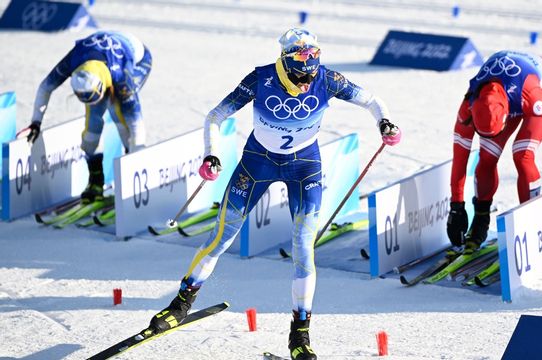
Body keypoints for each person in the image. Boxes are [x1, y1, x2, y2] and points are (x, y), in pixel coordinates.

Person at [146, 28, 401, 360]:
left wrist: (386, 123)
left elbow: (371, 101)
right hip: (257, 164)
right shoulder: (261, 78)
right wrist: (212, 154)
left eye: (313, 67)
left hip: (304, 167)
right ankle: (180, 304)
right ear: (285, 62)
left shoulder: (328, 79)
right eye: (301, 70)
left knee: (303, 249)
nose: (308, 80)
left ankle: (300, 334)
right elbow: (215, 116)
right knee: (220, 237)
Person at [447, 50, 542, 254]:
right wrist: (456, 206)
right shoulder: (468, 106)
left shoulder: (534, 99)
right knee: (487, 156)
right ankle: (481, 219)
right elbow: (460, 159)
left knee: (523, 154)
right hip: (504, 93)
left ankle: (531, 223)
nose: (490, 138)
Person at [25, 31, 152, 203]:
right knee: (92, 130)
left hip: (137, 59)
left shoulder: (121, 78)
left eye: (94, 97)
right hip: (97, 62)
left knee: (119, 113)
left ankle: (130, 180)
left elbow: (136, 123)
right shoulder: (72, 62)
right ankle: (95, 181)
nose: (92, 103)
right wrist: (36, 122)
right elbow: (45, 87)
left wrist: (136, 157)